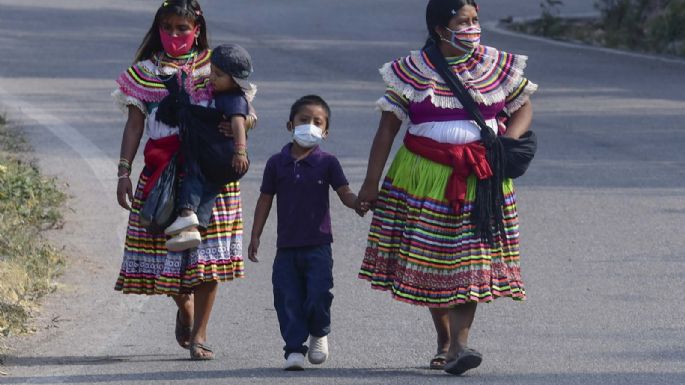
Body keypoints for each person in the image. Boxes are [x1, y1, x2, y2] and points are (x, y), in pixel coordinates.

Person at [356, 0, 537, 376]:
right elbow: (387, 129)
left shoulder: (494, 64)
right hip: (423, 178)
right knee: (432, 261)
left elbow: (522, 107)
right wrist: (371, 182)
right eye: (463, 21)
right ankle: (444, 339)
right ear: (441, 29)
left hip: (481, 177)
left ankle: (459, 345)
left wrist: (507, 142)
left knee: (469, 260)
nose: (473, 27)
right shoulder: (410, 71)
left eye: (475, 20)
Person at [112, 0, 254, 361]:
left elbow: (245, 112)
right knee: (161, 247)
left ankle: (200, 334)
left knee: (208, 253)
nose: (175, 35)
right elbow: (134, 125)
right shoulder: (143, 73)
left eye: (182, 28)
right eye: (168, 27)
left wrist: (238, 129)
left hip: (211, 175)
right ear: (158, 28)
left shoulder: (216, 66)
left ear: (197, 29)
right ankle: (184, 304)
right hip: (162, 171)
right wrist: (124, 171)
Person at [247, 95, 365, 371]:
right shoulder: (277, 163)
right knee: (287, 298)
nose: (309, 125)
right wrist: (255, 235)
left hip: (318, 245)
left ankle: (319, 332)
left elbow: (344, 192)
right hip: (286, 247)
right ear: (290, 124)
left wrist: (358, 203)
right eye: (303, 120)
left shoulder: (328, 163)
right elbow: (265, 199)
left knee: (319, 294)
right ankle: (293, 350)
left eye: (317, 122)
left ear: (325, 131)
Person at [163, 43, 257, 251]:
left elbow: (238, 124)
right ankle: (194, 229)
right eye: (212, 72)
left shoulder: (233, 99)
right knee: (210, 188)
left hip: (224, 156)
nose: (212, 78)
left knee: (194, 173)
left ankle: (186, 212)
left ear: (234, 80)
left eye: (219, 75)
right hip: (226, 164)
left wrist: (240, 151)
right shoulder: (223, 94)